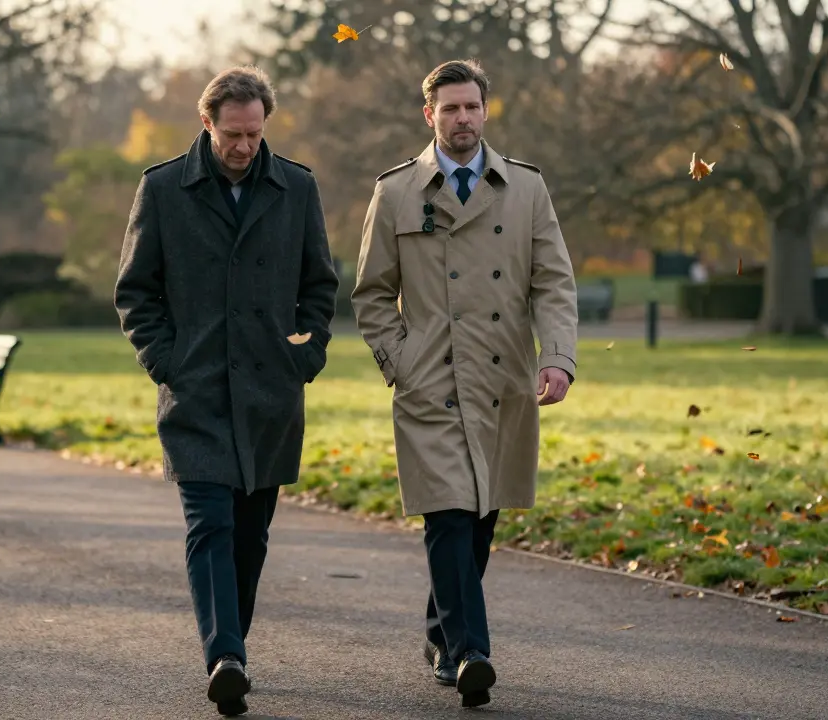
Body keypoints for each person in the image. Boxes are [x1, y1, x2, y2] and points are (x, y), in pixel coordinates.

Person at [350, 58, 578, 709]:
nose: (462, 118)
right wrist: (401, 362)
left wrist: (557, 357)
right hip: (430, 381)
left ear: (486, 110)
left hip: (505, 379)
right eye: (449, 109)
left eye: (472, 107)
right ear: (429, 115)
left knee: (480, 518)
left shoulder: (527, 189)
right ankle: (471, 651)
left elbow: (554, 282)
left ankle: (438, 631)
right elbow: (370, 294)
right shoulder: (396, 192)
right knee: (448, 513)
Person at [114, 65, 339, 717]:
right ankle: (226, 656)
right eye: (233, 134)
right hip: (197, 391)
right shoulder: (162, 189)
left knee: (250, 533)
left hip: (272, 390)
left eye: (255, 133)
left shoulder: (295, 186)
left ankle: (231, 641)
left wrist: (307, 353)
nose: (245, 147)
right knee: (209, 524)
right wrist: (166, 361)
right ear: (206, 122)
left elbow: (318, 284)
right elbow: (135, 290)